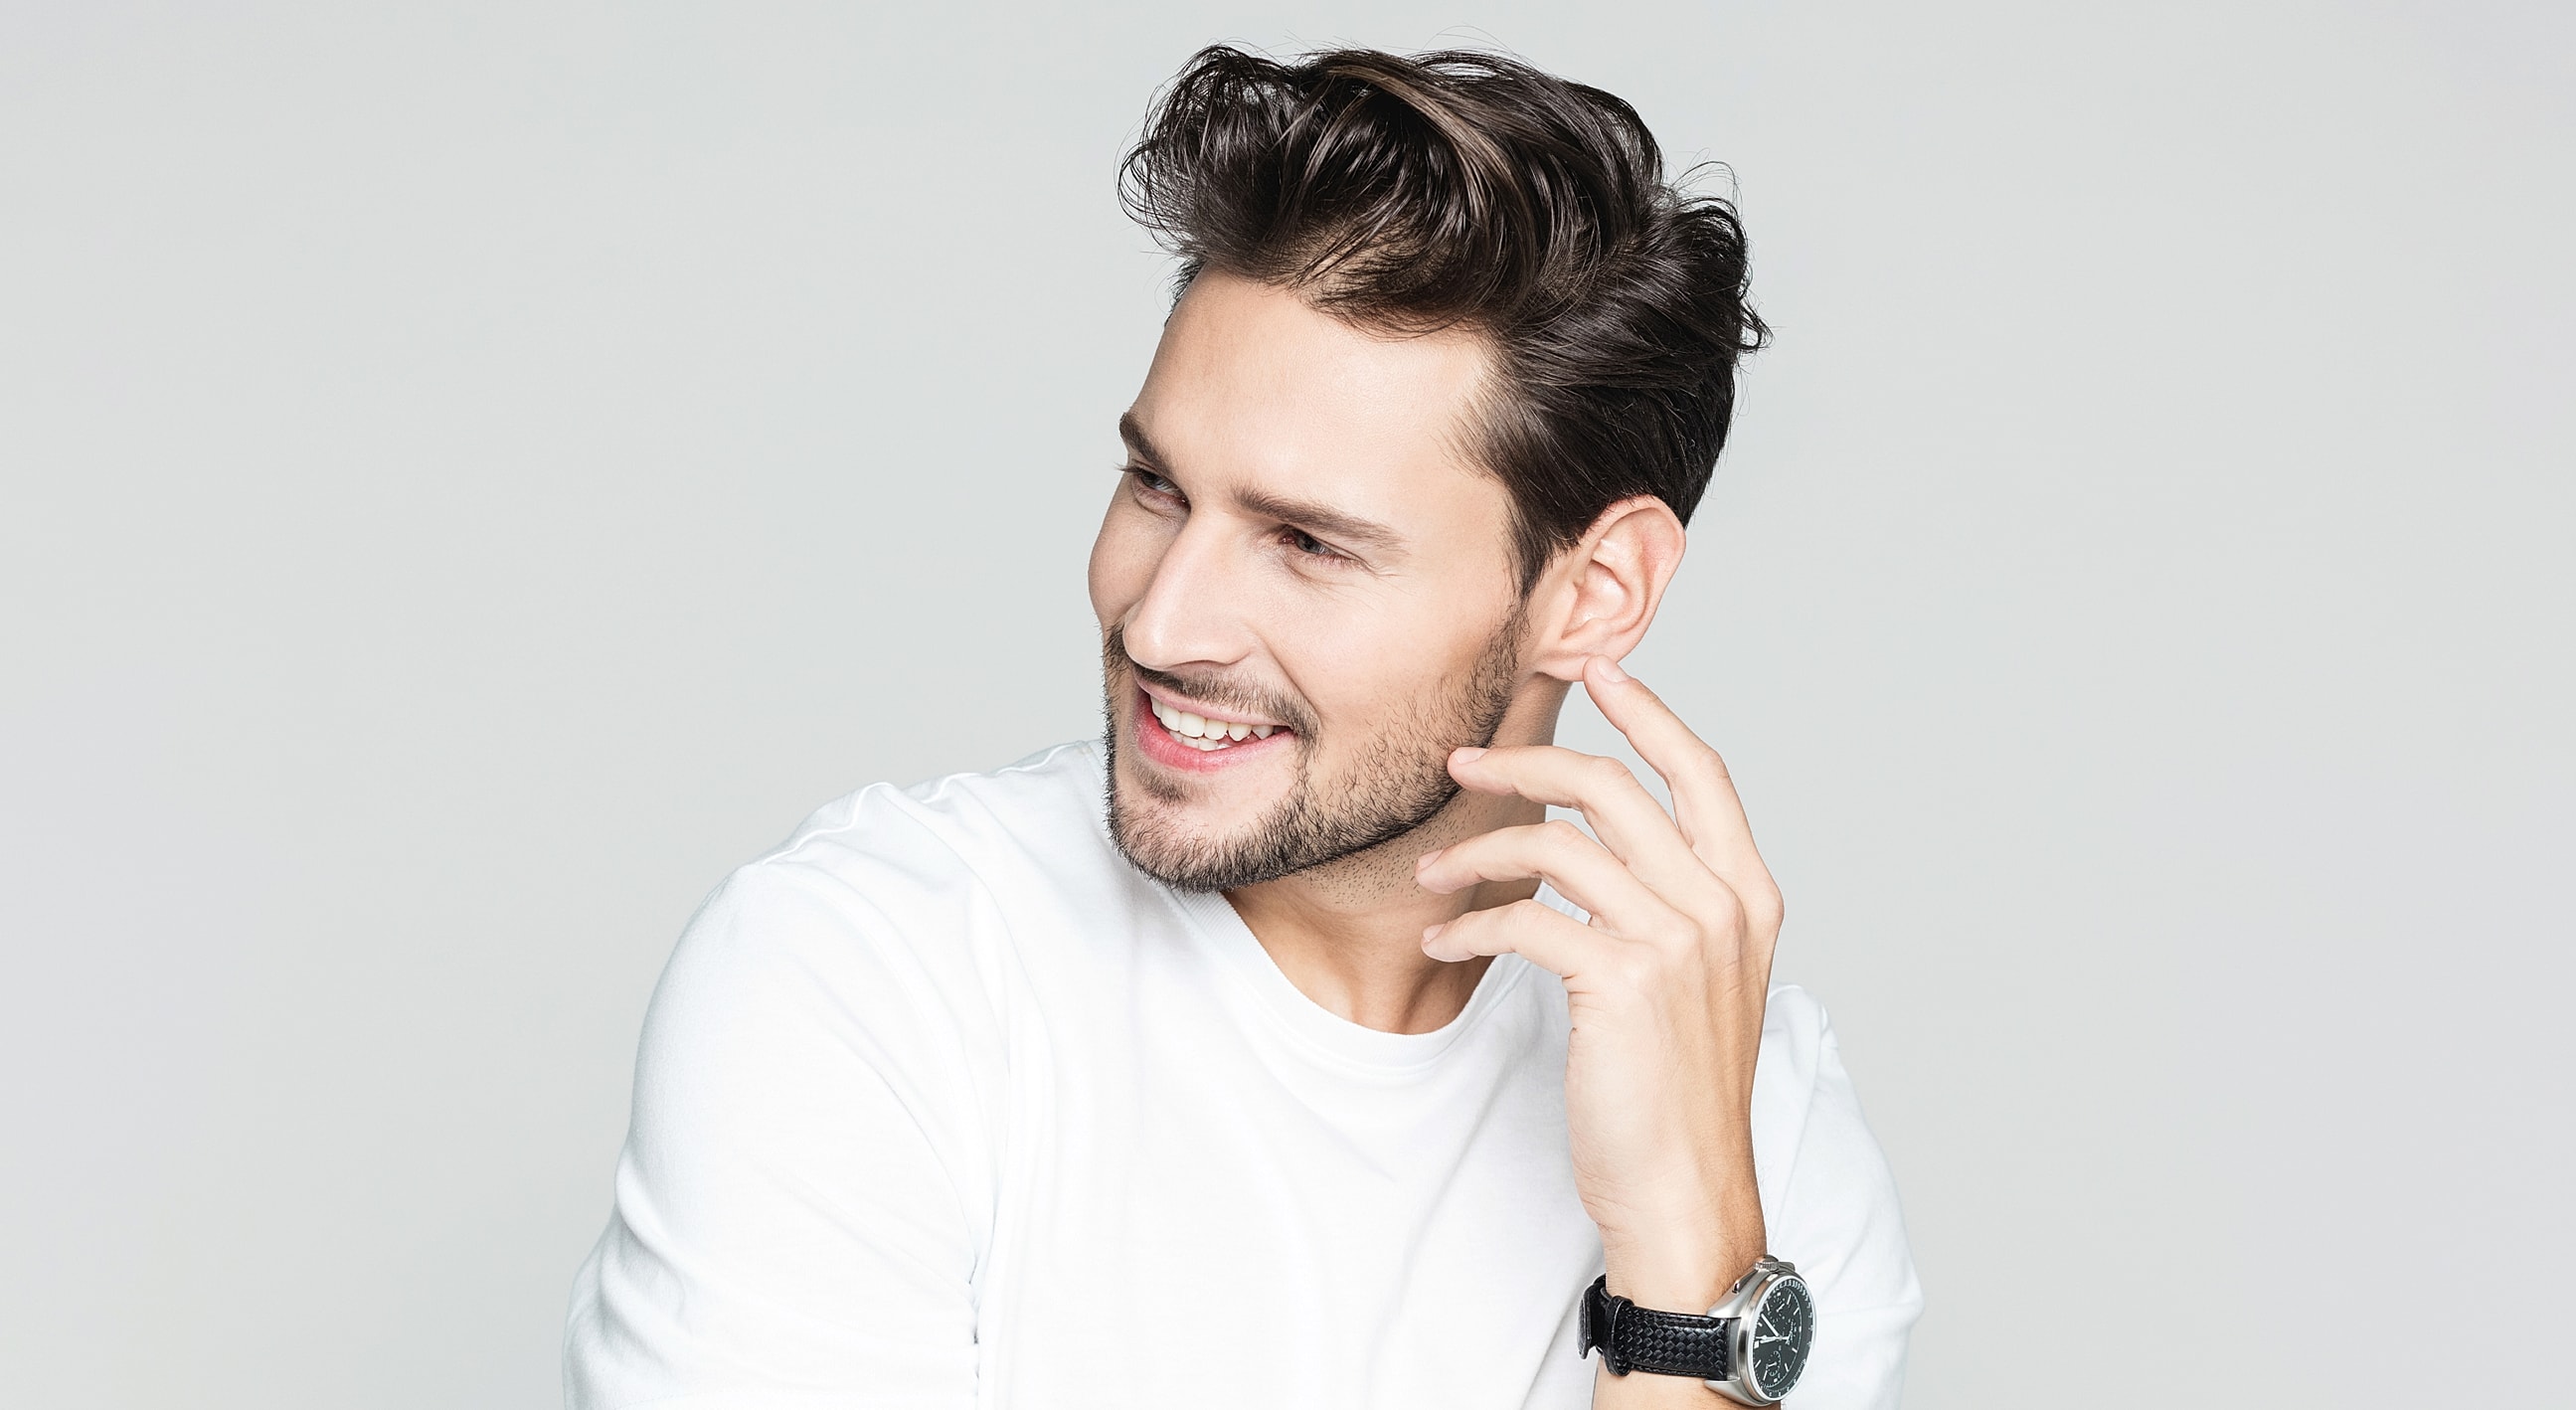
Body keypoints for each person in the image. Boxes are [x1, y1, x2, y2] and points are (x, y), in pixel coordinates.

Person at [565, 44, 1921, 1410]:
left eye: (1309, 543)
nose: (1160, 623)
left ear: (1593, 590)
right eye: (1157, 484)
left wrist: (1691, 1284)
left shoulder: (1757, 1125)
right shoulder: (873, 982)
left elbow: (1715, 1241)